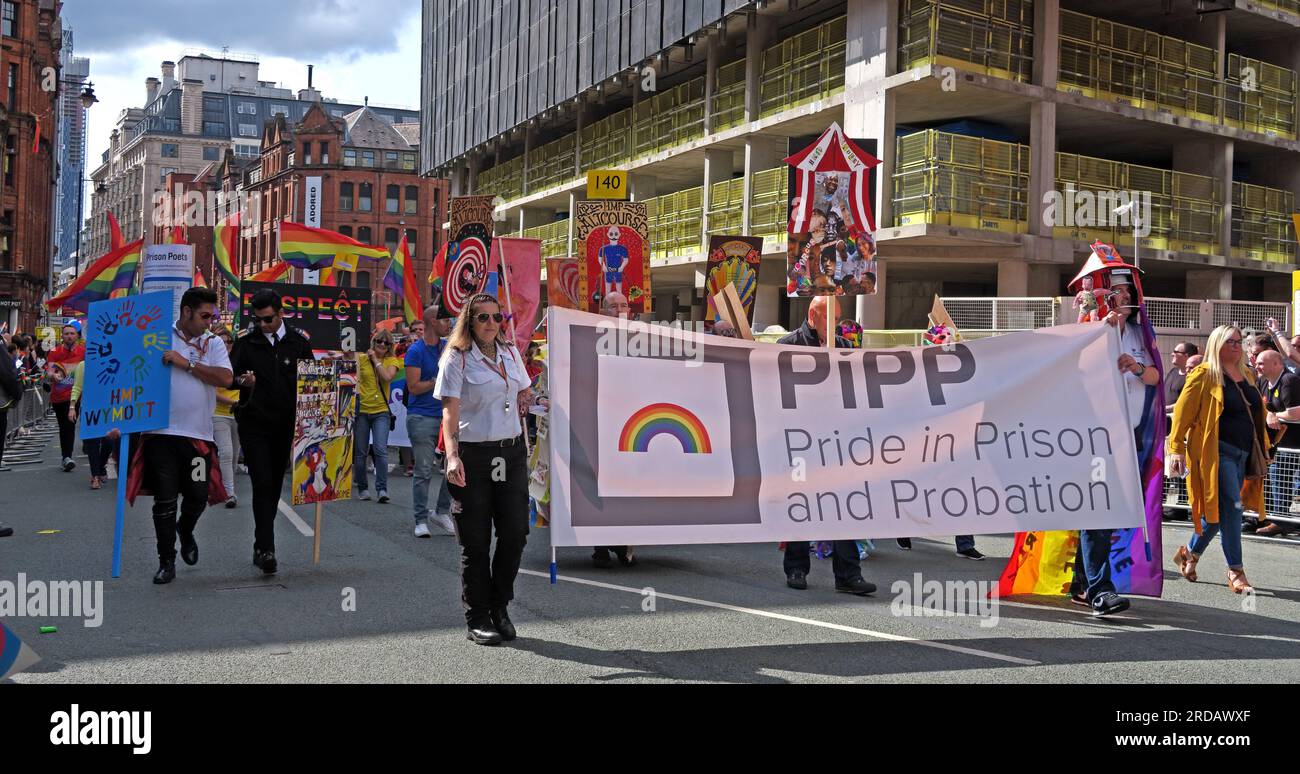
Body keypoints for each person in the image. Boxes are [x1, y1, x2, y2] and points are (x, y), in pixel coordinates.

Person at [436, 293, 535, 645]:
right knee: (475, 541)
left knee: (515, 533)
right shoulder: (457, 358)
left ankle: (499, 605)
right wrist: (452, 457)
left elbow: (524, 391)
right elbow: (450, 411)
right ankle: (477, 615)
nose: (491, 323)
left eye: (497, 317)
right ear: (470, 321)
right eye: (482, 318)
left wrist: (533, 400)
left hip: (510, 453)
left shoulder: (509, 353)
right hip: (474, 455)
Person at [1069, 274, 1161, 615]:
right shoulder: (1093, 327)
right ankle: (1100, 589)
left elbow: (1154, 376)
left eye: (1125, 291)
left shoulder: (1140, 333)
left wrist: (1136, 367)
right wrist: (1092, 320)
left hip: (1132, 435)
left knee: (1115, 512)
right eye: (1114, 291)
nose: (1120, 296)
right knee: (1099, 509)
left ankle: (1082, 580)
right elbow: (1070, 363)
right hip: (1096, 436)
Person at [131, 288, 232, 584]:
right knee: (164, 500)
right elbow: (133, 372)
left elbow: (225, 378)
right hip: (160, 434)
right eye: (204, 315)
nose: (209, 321)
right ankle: (166, 561)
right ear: (186, 311)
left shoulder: (213, 343)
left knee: (198, 495)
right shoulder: (159, 336)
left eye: (212, 316)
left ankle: (185, 530)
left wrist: (186, 363)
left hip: (198, 438)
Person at [778, 296, 876, 596]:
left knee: (842, 505)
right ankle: (796, 568)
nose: (835, 324)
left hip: (836, 442)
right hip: (800, 440)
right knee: (800, 504)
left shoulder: (845, 349)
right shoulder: (787, 346)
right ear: (812, 315)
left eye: (837, 318)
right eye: (830, 318)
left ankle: (848, 575)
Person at [1168, 325, 1268, 594]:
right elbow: (1182, 413)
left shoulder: (1246, 373)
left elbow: (1254, 408)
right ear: (1216, 344)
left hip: (1244, 453)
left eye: (1238, 341)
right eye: (1229, 341)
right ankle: (1236, 570)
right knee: (1233, 509)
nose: (1236, 346)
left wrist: (1268, 417)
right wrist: (1175, 448)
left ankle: (1188, 554)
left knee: (1216, 515)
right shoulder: (1203, 374)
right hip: (1217, 453)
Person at [230, 288, 315, 575]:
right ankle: (267, 548)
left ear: (280, 314)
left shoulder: (298, 342)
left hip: (285, 425)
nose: (262, 325)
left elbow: (313, 381)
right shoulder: (247, 341)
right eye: (258, 320)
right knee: (261, 484)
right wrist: (243, 380)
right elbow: (229, 376)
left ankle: (260, 542)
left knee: (274, 485)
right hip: (254, 423)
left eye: (267, 319)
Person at [592, 292, 636, 568]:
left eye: (624, 305)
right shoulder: (591, 335)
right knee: (602, 486)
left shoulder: (643, 337)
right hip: (601, 422)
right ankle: (599, 545)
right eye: (613, 306)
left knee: (630, 489)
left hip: (633, 422)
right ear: (603, 310)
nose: (620, 310)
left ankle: (625, 545)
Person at [406, 305, 455, 537]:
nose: (449, 324)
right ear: (433, 322)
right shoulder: (415, 351)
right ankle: (420, 519)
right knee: (424, 470)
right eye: (445, 320)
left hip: (446, 415)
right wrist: (437, 381)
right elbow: (413, 387)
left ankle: (441, 511)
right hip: (422, 416)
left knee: (453, 466)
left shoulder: (448, 348)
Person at [354, 329, 401, 504]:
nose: (381, 344)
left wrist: (375, 360)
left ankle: (382, 489)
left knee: (381, 450)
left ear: (390, 346)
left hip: (381, 411)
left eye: (386, 343)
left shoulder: (392, 360)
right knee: (360, 452)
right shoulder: (361, 359)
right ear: (373, 341)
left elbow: (387, 377)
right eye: (379, 341)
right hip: (362, 411)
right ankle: (363, 488)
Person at [1255, 349, 1298, 537]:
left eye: (1261, 363)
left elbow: (1296, 412)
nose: (1257, 366)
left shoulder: (1289, 381)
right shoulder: (1263, 382)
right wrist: (1268, 415)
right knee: (1276, 477)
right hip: (1277, 444)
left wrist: (1274, 415)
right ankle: (1277, 518)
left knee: (1280, 477)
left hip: (1295, 443)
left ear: (1277, 364)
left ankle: (1281, 521)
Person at [212, 325, 243, 508]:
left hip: (238, 414)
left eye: (229, 341)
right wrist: (232, 402)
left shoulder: (238, 361)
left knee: (234, 455)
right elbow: (211, 392)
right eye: (222, 342)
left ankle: (226, 489)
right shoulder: (212, 363)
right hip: (219, 413)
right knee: (226, 452)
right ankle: (229, 493)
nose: (227, 345)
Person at [46, 323, 84, 472]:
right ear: (62, 336)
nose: (69, 336)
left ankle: (67, 457)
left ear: (77, 336)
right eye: (66, 333)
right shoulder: (55, 351)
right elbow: (49, 371)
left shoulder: (83, 351)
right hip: (58, 397)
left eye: (72, 333)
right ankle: (65, 457)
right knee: (64, 426)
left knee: (70, 425)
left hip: (76, 396)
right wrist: (53, 375)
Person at [1165, 342, 1199, 407]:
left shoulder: (1193, 378)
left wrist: (1165, 409)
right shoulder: (1173, 371)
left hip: (1177, 415)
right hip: (1163, 415)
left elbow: (1187, 402)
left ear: (1186, 356)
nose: (1172, 354)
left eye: (1176, 352)